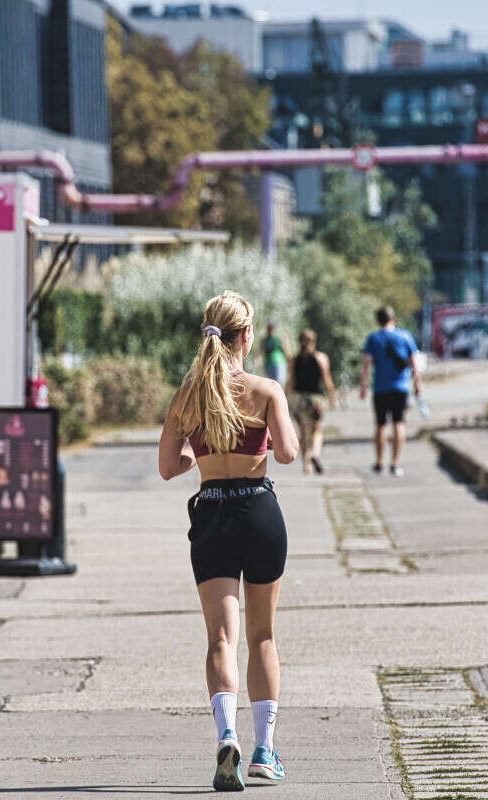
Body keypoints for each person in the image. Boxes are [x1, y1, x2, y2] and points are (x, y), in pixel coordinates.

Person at [158, 291, 299, 791]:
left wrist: (201, 460)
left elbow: (167, 467)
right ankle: (265, 750)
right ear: (247, 336)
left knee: (221, 638)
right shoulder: (265, 390)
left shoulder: (188, 394)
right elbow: (285, 452)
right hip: (259, 511)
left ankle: (227, 736)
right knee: (262, 635)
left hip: (213, 514)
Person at [359, 305, 422, 477]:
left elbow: (366, 364)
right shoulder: (405, 336)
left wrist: (363, 386)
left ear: (378, 320)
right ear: (393, 318)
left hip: (380, 388)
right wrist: (417, 384)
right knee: (399, 423)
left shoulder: (373, 338)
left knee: (380, 425)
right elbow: (414, 362)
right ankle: (395, 463)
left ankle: (379, 462)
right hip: (401, 387)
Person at [285, 329, 337, 475]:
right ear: (314, 341)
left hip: (299, 399)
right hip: (316, 400)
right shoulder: (321, 358)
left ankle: (306, 464)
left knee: (302, 432)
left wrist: (284, 399)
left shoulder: (294, 360)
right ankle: (315, 453)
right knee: (317, 430)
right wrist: (332, 397)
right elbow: (327, 381)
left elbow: (290, 382)